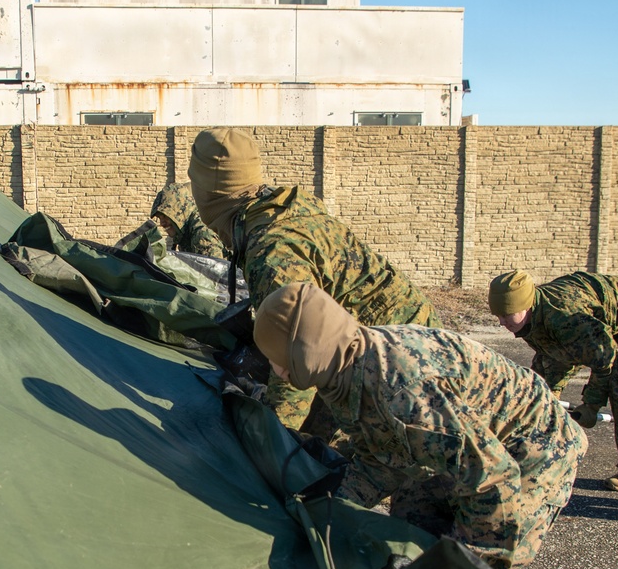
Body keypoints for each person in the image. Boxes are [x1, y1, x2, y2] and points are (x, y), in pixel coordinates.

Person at [253, 282, 587, 569]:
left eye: (275, 355)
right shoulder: (343, 368)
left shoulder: (401, 391)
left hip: (533, 446)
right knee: (412, 526)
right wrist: (325, 511)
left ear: (304, 352)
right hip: (467, 439)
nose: (273, 367)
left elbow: (493, 481)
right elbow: (383, 457)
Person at [187, 126, 438, 430]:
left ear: (207, 193)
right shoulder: (281, 210)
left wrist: (274, 438)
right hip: (395, 340)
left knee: (329, 451)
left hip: (401, 360)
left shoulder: (272, 252)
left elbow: (298, 355)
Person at [488, 269, 618, 493]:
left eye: (507, 314)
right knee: (538, 394)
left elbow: (604, 359)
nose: (502, 322)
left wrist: (591, 405)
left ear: (525, 305)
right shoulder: (532, 318)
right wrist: (548, 398)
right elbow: (556, 358)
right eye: (498, 316)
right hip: (593, 328)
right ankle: (531, 457)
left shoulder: (564, 318)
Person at [149, 183, 223, 259]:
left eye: (165, 216)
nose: (162, 223)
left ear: (180, 211)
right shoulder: (184, 231)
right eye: (159, 218)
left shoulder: (202, 233)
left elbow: (212, 269)